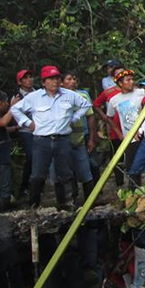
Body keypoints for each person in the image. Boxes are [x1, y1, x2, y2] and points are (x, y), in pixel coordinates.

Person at [10, 66, 92, 209]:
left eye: (57, 78)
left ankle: (66, 204)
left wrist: (73, 118)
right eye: (51, 79)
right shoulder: (34, 97)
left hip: (62, 139)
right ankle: (33, 206)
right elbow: (15, 109)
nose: (55, 82)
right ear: (43, 82)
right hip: (42, 140)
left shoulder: (69, 95)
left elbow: (85, 105)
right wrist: (28, 123)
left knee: (65, 173)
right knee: (37, 174)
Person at [106, 69, 145, 187]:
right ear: (120, 83)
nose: (131, 82)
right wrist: (118, 132)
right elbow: (109, 117)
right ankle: (134, 192)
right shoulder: (114, 100)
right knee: (132, 167)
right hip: (129, 138)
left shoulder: (141, 92)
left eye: (132, 79)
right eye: (128, 80)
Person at [60, 71, 96, 202]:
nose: (73, 81)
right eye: (69, 79)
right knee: (68, 172)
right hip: (63, 140)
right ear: (62, 82)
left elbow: (90, 116)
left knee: (86, 169)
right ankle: (71, 199)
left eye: (74, 79)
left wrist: (92, 138)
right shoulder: (56, 97)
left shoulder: (83, 95)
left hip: (80, 138)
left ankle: (91, 200)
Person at [93, 64, 127, 186]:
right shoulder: (109, 92)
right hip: (115, 130)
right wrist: (104, 116)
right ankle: (120, 184)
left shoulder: (135, 90)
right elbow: (96, 104)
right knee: (117, 157)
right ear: (114, 78)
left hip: (132, 129)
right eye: (118, 75)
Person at [13, 69, 35, 196]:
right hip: (25, 131)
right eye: (25, 78)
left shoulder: (39, 93)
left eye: (30, 77)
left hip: (40, 130)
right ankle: (25, 186)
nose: (29, 80)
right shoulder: (17, 97)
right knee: (31, 157)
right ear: (20, 82)